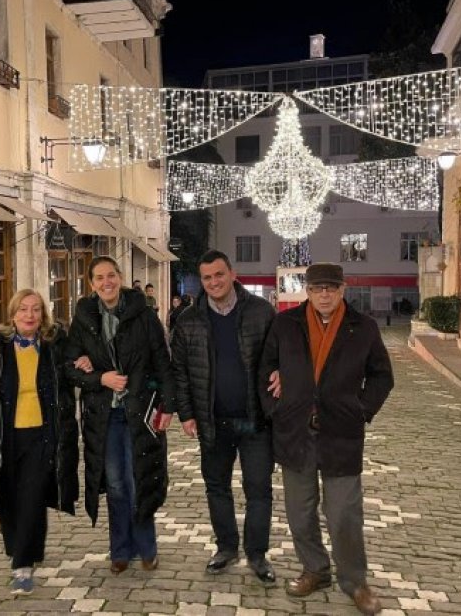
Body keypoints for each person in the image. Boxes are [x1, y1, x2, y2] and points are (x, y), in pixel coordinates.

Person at [259, 263, 393, 615]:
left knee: (344, 514)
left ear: (343, 289)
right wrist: (276, 408)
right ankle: (315, 570)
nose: (324, 294)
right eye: (318, 288)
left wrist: (361, 410)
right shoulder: (285, 324)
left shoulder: (363, 328)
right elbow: (265, 368)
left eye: (331, 288)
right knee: (299, 513)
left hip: (341, 435)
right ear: (307, 289)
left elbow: (382, 376)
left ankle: (355, 581)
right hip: (296, 433)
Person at [171, 250, 277, 584]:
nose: (214, 282)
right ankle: (227, 547)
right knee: (217, 488)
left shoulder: (261, 312)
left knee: (258, 489)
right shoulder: (188, 320)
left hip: (255, 420)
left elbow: (280, 354)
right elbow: (181, 373)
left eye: (219, 274)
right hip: (212, 421)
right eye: (207, 277)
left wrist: (283, 372)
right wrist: (186, 414)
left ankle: (257, 554)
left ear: (232, 273)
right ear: (201, 281)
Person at [64, 256, 175, 573]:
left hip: (140, 411)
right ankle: (120, 550)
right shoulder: (84, 317)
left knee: (140, 479)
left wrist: (168, 406)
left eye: (111, 275)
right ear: (91, 283)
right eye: (99, 278)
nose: (106, 282)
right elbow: (68, 366)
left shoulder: (143, 314)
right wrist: (99, 377)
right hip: (105, 416)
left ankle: (147, 547)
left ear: (120, 277)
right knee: (114, 484)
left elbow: (162, 362)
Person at [0, 289, 80, 595]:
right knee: (8, 497)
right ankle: (23, 547)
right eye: (23, 310)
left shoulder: (54, 345)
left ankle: (22, 566)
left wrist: (84, 364)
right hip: (5, 437)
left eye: (35, 310)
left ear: (42, 314)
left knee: (32, 496)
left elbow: (71, 373)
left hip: (42, 436)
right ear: (13, 314)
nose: (29, 315)